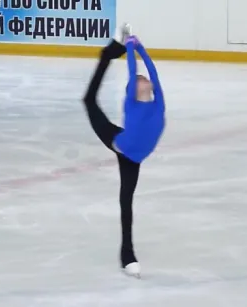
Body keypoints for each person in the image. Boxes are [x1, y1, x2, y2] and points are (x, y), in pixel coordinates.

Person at [82, 24, 165, 278]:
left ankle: (126, 254)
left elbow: (150, 70)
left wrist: (140, 47)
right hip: (119, 143)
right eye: (137, 80)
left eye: (143, 79)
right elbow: (133, 68)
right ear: (133, 90)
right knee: (89, 101)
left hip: (135, 153)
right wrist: (127, 48)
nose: (142, 78)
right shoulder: (131, 104)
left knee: (126, 200)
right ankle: (109, 52)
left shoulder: (158, 100)